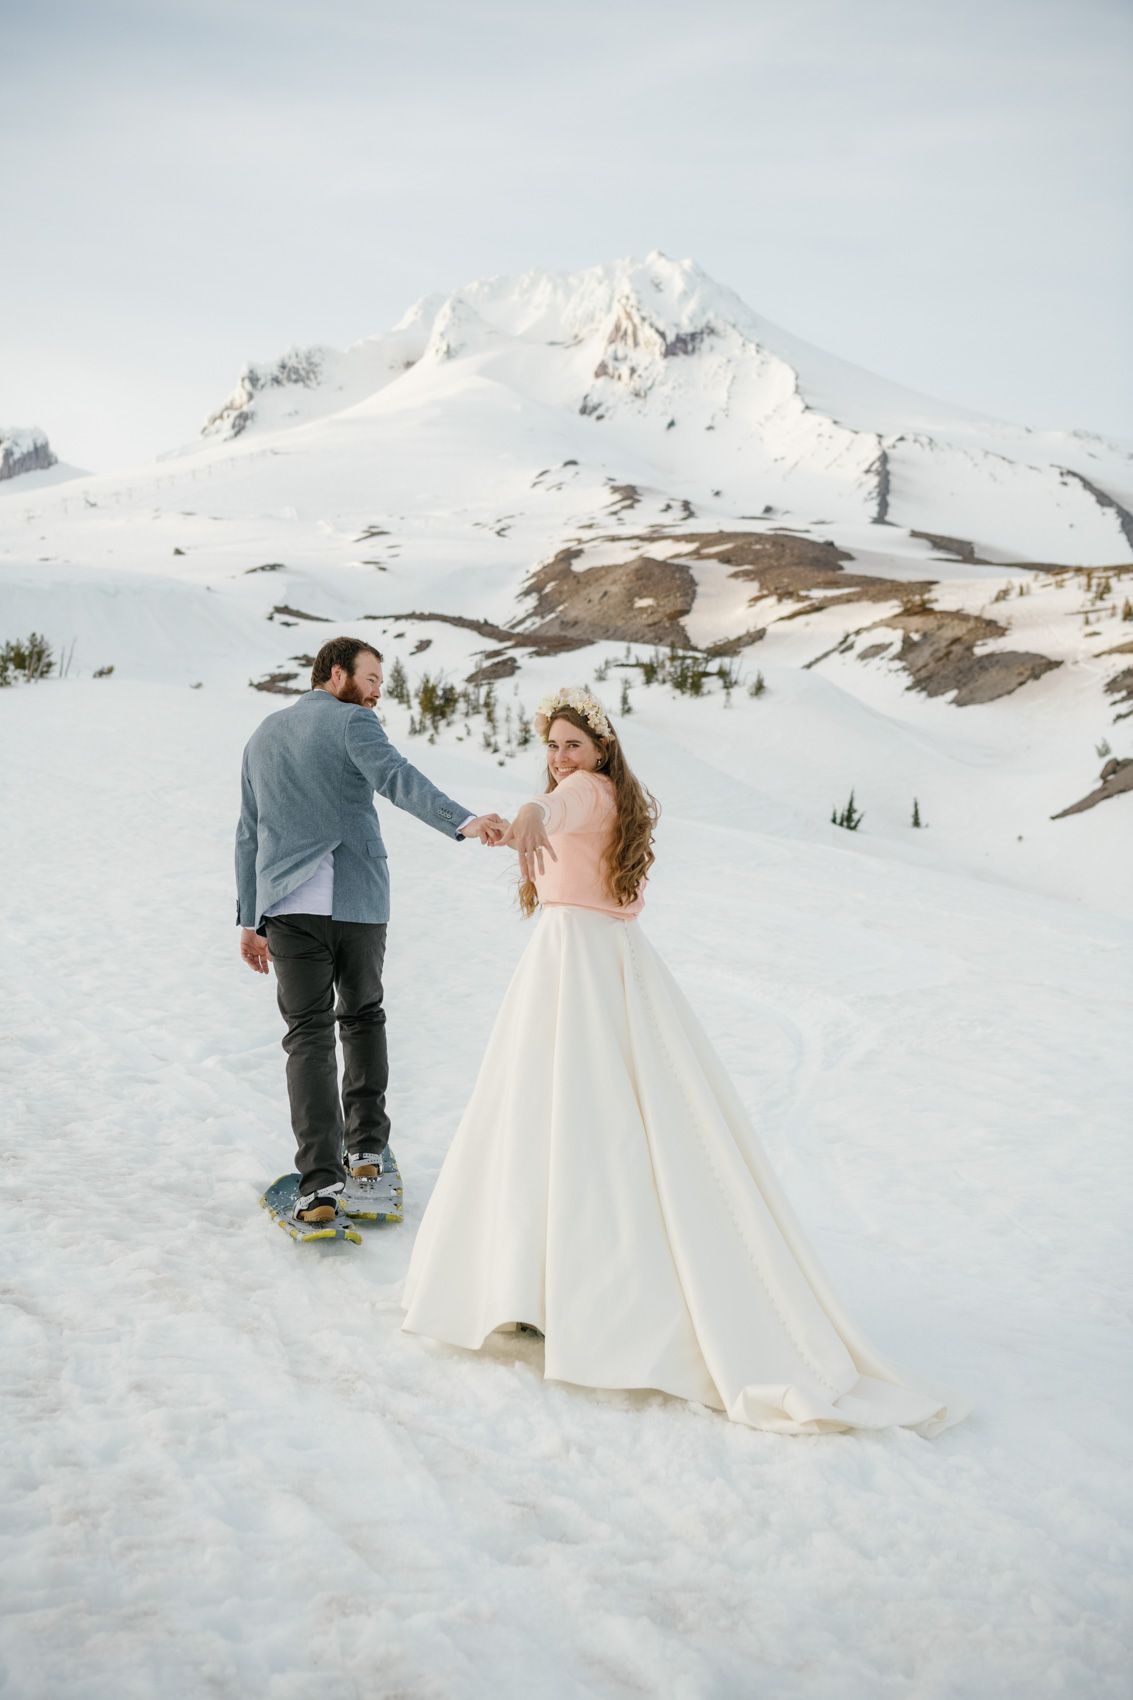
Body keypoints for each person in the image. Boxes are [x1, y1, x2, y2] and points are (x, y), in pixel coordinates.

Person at [401, 685, 967, 1437]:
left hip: (579, 965)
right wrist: (513, 826)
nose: (561, 757)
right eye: (553, 745)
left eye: (573, 742)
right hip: (585, 960)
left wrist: (535, 810)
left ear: (600, 751)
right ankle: (543, 1291)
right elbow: (551, 828)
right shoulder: (598, 797)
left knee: (570, 1118)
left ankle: (571, 1300)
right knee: (566, 1117)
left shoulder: (585, 791)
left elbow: (558, 811)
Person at [235, 635, 506, 1224]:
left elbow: (249, 834)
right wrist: (462, 822)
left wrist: (249, 919)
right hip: (356, 904)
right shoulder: (352, 724)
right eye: (372, 678)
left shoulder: (262, 736)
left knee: (307, 1037)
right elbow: (397, 778)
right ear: (335, 674)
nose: (378, 691)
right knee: (362, 1018)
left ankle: (320, 1187)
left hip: (286, 910)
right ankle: (365, 1152)